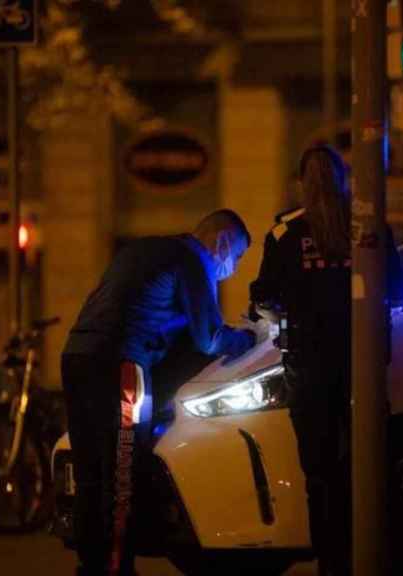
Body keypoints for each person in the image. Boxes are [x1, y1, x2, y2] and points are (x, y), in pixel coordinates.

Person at [61, 209, 258, 576]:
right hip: (120, 365)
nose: (232, 267)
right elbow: (209, 338)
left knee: (90, 474)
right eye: (238, 256)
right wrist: (248, 339)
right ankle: (117, 568)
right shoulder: (193, 261)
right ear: (222, 242)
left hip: (76, 357)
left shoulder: (144, 250)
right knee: (121, 476)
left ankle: (91, 566)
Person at [250, 145, 403, 575]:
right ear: (344, 178)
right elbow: (400, 291)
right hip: (364, 363)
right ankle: (390, 557)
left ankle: (333, 563)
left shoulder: (284, 233)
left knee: (319, 471)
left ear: (301, 182)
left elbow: (264, 298)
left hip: (309, 364)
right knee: (373, 461)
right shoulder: (370, 228)